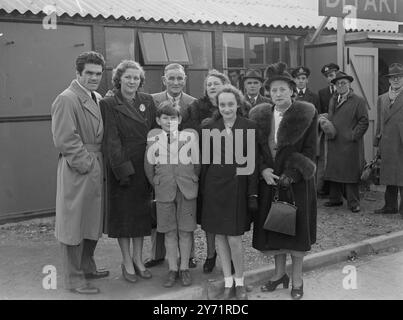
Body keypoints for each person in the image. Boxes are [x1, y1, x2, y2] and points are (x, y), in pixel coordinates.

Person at [249, 61, 317, 300]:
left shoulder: (306, 113)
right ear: (269, 92)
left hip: (296, 184)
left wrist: (292, 174)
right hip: (269, 182)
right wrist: (263, 170)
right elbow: (254, 150)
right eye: (274, 90)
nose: (278, 94)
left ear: (292, 90)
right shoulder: (259, 114)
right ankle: (279, 275)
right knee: (275, 230)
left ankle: (297, 280)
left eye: (283, 89)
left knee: (297, 235)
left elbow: (310, 151)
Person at [51, 51, 109, 294]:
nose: (94, 78)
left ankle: (87, 267)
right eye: (89, 73)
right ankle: (74, 279)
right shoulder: (67, 98)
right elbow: (64, 138)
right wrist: (86, 163)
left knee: (91, 220)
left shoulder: (95, 96)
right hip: (79, 166)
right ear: (78, 73)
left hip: (95, 163)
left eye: (98, 73)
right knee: (73, 223)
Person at [186, 69, 250, 274]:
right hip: (209, 168)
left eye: (216, 83)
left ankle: (232, 264)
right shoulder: (197, 108)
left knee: (231, 225)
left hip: (233, 174)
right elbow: (193, 136)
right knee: (211, 219)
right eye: (209, 84)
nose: (212, 87)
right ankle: (211, 254)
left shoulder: (241, 111)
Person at [100, 60, 156, 283]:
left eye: (136, 78)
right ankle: (126, 262)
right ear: (119, 79)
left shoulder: (148, 100)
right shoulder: (109, 102)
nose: (132, 81)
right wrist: (123, 171)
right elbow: (111, 141)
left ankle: (138, 260)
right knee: (124, 219)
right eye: (128, 77)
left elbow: (154, 133)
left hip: (144, 166)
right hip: (122, 169)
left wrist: (154, 165)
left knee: (141, 218)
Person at [201, 85, 258, 300]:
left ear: (238, 104)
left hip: (237, 189)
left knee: (234, 239)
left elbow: (251, 163)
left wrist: (252, 194)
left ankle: (240, 282)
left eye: (230, 104)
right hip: (214, 190)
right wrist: (204, 194)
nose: (226, 108)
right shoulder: (209, 128)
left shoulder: (249, 127)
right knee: (220, 239)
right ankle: (228, 282)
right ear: (218, 105)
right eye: (222, 104)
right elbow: (206, 164)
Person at [146, 63, 197, 269]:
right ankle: (158, 255)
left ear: (185, 80)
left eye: (180, 78)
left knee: (185, 220)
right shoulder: (152, 100)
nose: (176, 82)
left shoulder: (192, 103)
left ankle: (189, 257)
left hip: (184, 167)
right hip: (162, 165)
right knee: (163, 216)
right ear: (164, 79)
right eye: (172, 78)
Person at [323, 71, 369, 213]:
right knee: (334, 170)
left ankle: (353, 203)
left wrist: (353, 135)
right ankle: (335, 199)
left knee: (350, 173)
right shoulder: (333, 99)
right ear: (335, 86)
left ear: (349, 84)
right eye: (338, 83)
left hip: (350, 143)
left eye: (344, 83)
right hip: (334, 140)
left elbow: (364, 121)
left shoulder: (358, 100)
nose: (341, 85)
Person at [374, 63, 403, 217]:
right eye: (393, 77)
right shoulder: (382, 98)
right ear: (389, 80)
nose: (396, 80)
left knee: (402, 176)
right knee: (389, 176)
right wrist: (376, 141)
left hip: (401, 142)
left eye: (399, 77)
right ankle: (390, 206)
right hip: (387, 142)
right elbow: (379, 121)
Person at [316, 63, 339, 197]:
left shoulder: (344, 89)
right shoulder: (322, 93)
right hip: (327, 132)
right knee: (326, 160)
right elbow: (320, 112)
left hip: (341, 130)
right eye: (328, 76)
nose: (331, 78)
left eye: (332, 75)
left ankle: (340, 190)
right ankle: (326, 188)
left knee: (339, 159)